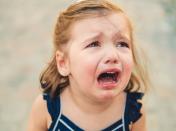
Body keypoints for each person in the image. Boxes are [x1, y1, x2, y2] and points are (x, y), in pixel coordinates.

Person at [27, 0, 149, 130]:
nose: (113, 55)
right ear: (63, 63)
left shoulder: (133, 111)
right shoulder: (46, 107)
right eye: (94, 44)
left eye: (122, 44)